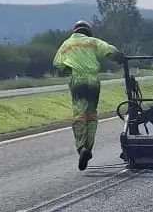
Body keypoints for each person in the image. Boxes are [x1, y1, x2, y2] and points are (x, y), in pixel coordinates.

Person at [52, 20, 121, 170]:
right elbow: (111, 51)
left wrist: (69, 69)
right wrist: (121, 57)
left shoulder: (66, 44)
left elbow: (58, 65)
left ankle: (81, 147)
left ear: (74, 31)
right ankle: (88, 148)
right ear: (88, 31)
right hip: (93, 81)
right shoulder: (92, 42)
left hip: (77, 81)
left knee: (79, 115)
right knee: (91, 115)